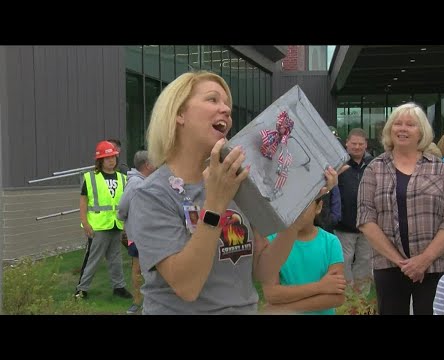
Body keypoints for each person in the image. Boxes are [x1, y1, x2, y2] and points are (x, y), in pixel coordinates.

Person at [127, 70, 339, 315]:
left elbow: (262, 270)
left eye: (227, 103)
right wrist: (216, 202)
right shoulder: (151, 194)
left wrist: (298, 211)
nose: (226, 109)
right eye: (212, 100)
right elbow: (187, 286)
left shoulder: (238, 181)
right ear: (179, 114)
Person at [357, 102, 444, 315]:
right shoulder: (374, 169)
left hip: (435, 266)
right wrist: (402, 262)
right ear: (389, 130)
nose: (402, 129)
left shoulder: (441, 169)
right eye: (397, 123)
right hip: (388, 265)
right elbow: (365, 218)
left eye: (410, 124)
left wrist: (424, 260)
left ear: (421, 132)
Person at [261, 187, 346, 315]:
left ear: (319, 207)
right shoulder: (272, 242)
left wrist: (284, 309)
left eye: (304, 203)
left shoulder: (331, 243)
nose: (297, 210)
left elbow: (336, 297)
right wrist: (320, 286)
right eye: (293, 203)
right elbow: (271, 294)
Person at [75, 140, 132, 300]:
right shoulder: (90, 177)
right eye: (107, 158)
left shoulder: (122, 178)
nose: (111, 160)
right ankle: (81, 289)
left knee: (116, 258)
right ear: (100, 160)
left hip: (115, 224)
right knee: (92, 259)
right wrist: (85, 223)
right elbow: (83, 201)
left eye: (113, 157)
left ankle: (119, 287)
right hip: (98, 226)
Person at [117, 150, 156, 314]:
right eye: (154, 161)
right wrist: (126, 223)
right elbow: (122, 207)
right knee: (138, 268)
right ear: (147, 165)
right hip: (139, 235)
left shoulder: (148, 181)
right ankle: (137, 301)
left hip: (151, 233)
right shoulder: (135, 183)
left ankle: (151, 300)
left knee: (153, 269)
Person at [336, 128, 373, 288]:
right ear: (347, 143)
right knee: (344, 261)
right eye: (354, 143)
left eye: (360, 144)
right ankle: (346, 297)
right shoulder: (338, 163)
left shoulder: (374, 164)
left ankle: (361, 300)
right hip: (344, 224)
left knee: (365, 261)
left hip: (368, 224)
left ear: (366, 145)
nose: (357, 147)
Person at [107, 138, 130, 249]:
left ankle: (139, 258)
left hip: (121, 212)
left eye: (110, 147)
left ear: (118, 150)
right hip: (106, 216)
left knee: (127, 239)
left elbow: (128, 189)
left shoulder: (122, 168)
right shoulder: (104, 169)